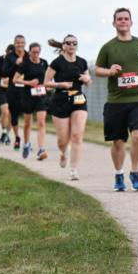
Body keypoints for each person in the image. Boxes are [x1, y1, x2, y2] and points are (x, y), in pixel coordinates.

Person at [94, 8, 138, 192]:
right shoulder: (108, 47)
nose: (123, 21)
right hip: (116, 101)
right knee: (118, 142)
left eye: (126, 19)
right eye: (119, 19)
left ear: (131, 22)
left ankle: (135, 173)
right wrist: (109, 71)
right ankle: (119, 174)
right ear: (114, 23)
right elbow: (97, 70)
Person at [45, 35, 90, 180]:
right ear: (63, 46)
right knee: (63, 141)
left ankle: (73, 170)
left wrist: (87, 79)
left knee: (77, 135)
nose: (71, 45)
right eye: (68, 43)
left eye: (74, 43)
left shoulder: (82, 62)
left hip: (78, 99)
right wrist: (60, 84)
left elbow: (88, 81)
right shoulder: (57, 63)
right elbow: (46, 83)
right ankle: (63, 152)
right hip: (60, 100)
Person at [13, 42, 50, 161]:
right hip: (27, 96)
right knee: (28, 123)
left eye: (38, 52)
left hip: (41, 96)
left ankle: (41, 149)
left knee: (41, 122)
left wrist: (48, 85)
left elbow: (49, 77)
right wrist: (29, 83)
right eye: (33, 52)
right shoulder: (25, 64)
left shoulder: (44, 63)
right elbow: (15, 79)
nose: (36, 54)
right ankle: (26, 144)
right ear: (29, 52)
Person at [1, 36, 28, 150]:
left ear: (25, 43)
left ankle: (27, 142)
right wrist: (15, 64)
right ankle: (17, 137)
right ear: (14, 43)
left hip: (26, 89)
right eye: (18, 43)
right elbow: (4, 73)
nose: (20, 45)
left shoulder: (29, 56)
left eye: (22, 42)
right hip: (13, 90)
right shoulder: (9, 57)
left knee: (28, 116)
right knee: (14, 116)